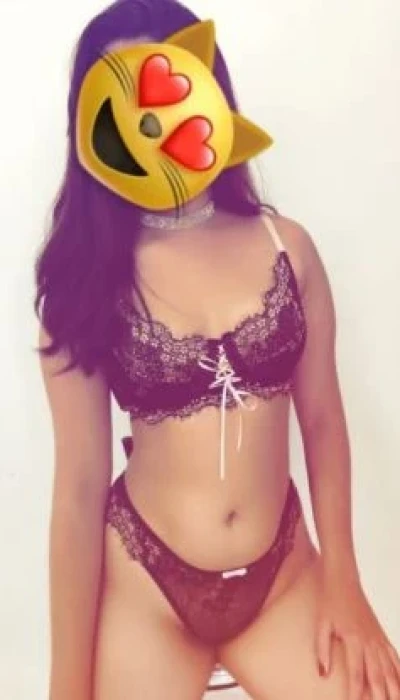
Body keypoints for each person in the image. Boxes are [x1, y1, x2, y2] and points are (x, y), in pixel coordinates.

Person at [34, 1, 400, 699]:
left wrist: (345, 583)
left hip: (284, 576)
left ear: (210, 95)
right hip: (146, 587)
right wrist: (65, 687)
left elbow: (323, 420)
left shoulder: (286, 247)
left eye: (168, 92)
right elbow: (78, 490)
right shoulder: (83, 278)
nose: (151, 124)